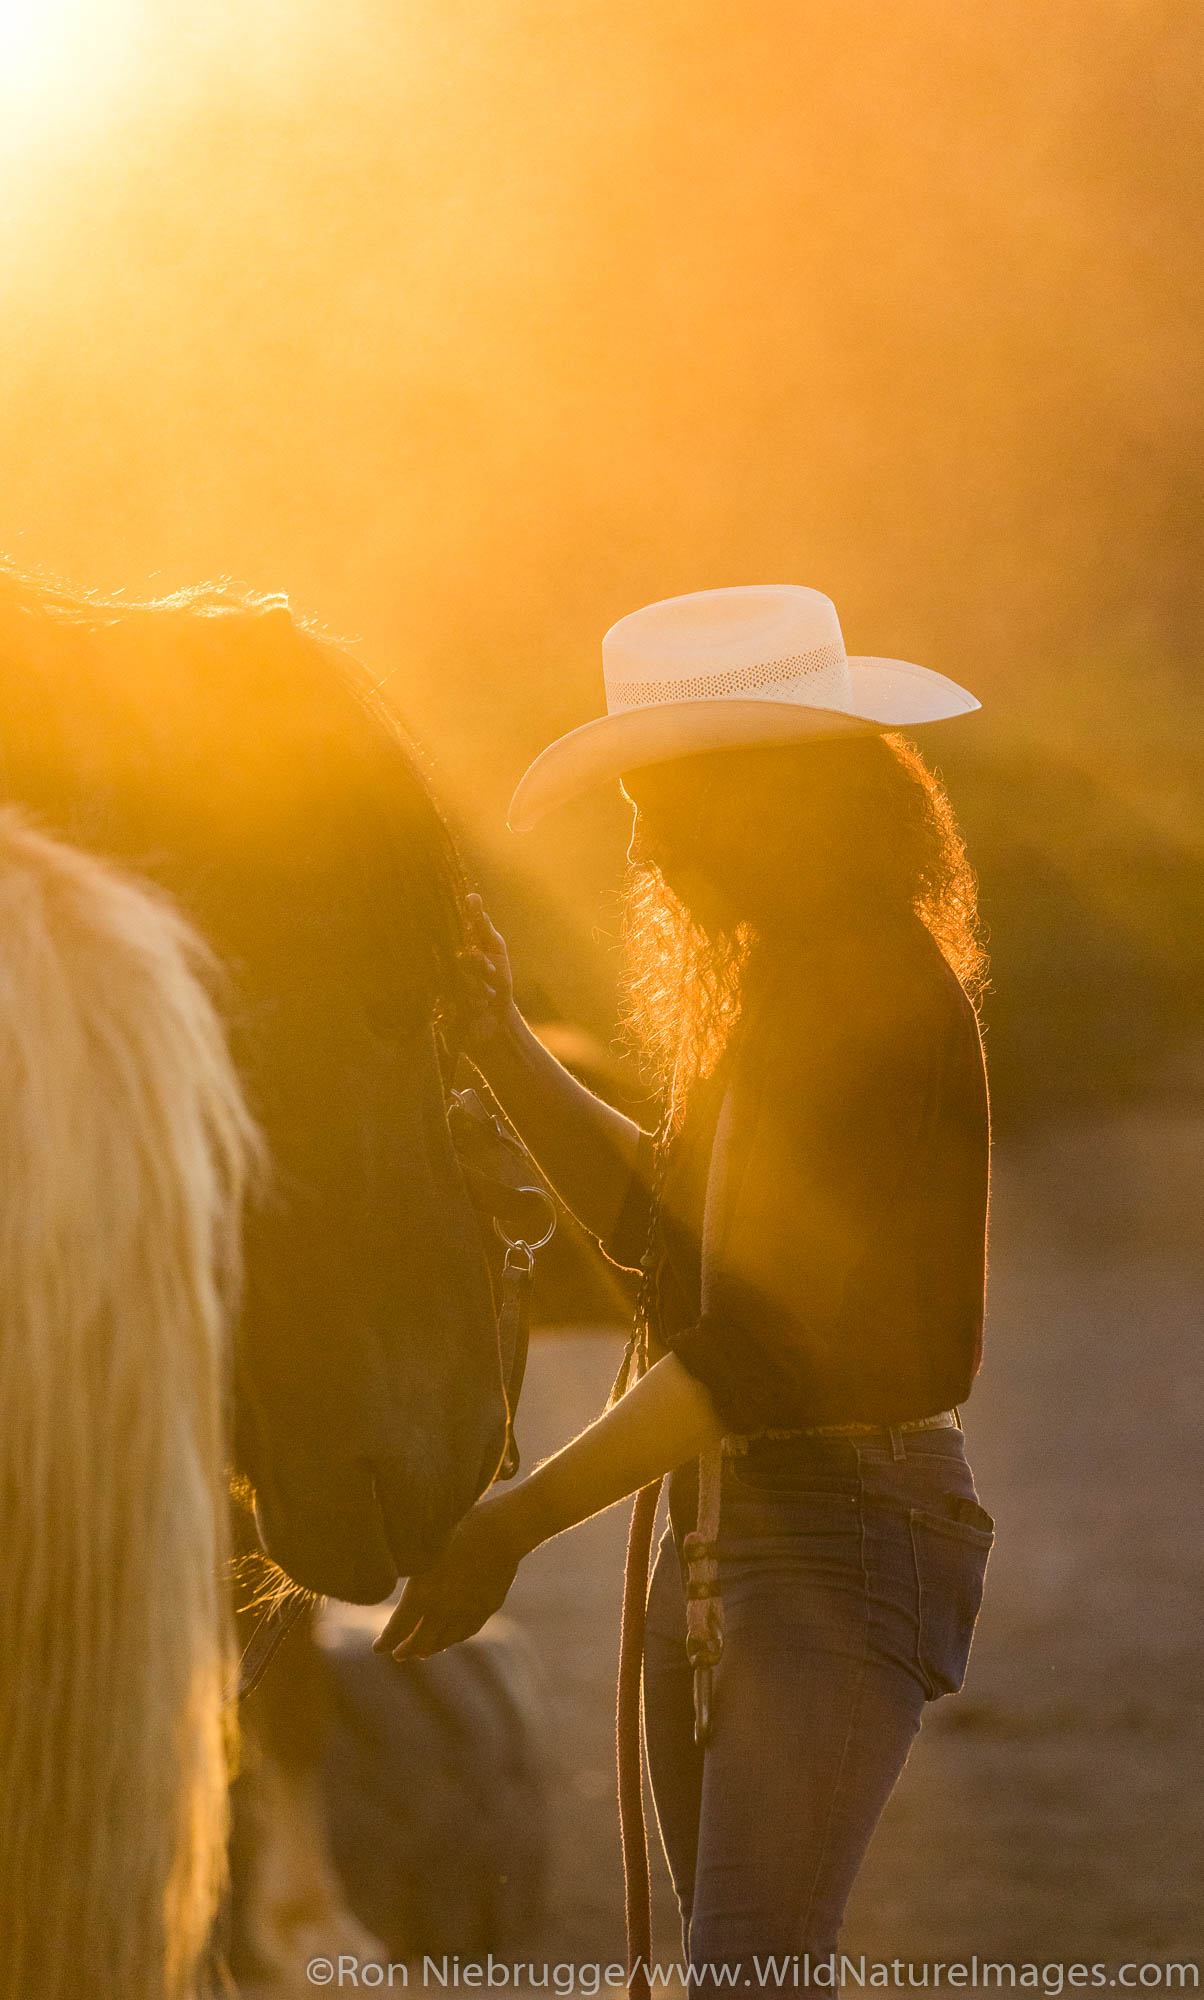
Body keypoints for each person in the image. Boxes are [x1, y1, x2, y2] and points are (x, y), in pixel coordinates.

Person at [376, 585, 995, 1975]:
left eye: (667, 796)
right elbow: (672, 1241)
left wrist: (514, 1522)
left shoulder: (861, 989)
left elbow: (757, 1345)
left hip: (836, 1532)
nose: (645, 841)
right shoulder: (790, 984)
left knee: (751, 1966)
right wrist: (499, 1046)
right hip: (751, 1529)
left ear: (763, 795)